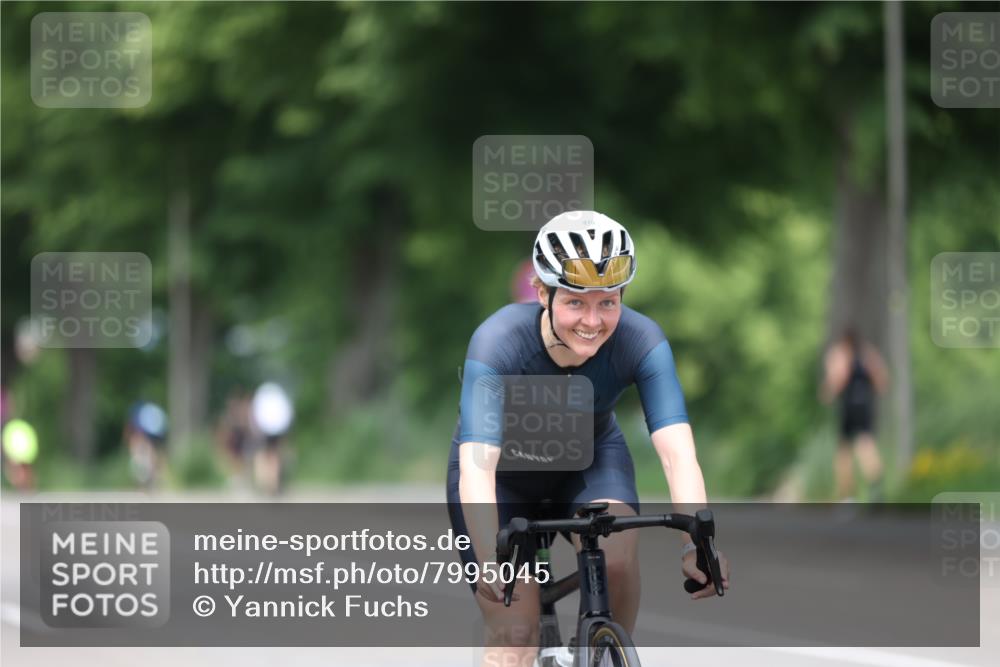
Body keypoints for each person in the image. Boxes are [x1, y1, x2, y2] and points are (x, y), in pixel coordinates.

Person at [446, 211, 730, 667]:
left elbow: (679, 455)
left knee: (617, 558)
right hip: (503, 479)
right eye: (576, 303)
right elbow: (479, 467)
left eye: (608, 303)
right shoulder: (497, 342)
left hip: (589, 461)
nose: (593, 322)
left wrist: (696, 543)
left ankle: (604, 653)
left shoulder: (642, 340)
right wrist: (487, 558)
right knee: (515, 635)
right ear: (542, 293)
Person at [819, 328, 889, 500]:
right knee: (866, 443)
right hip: (865, 403)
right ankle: (875, 485)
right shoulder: (868, 353)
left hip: (850, 405)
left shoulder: (841, 352)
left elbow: (838, 378)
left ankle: (847, 496)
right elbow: (882, 381)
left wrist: (827, 393)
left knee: (844, 451)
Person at [123, 401, 168, 489]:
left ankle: (147, 482)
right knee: (150, 460)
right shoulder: (152, 419)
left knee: (145, 461)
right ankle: (152, 481)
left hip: (145, 447)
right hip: (149, 444)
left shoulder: (139, 421)